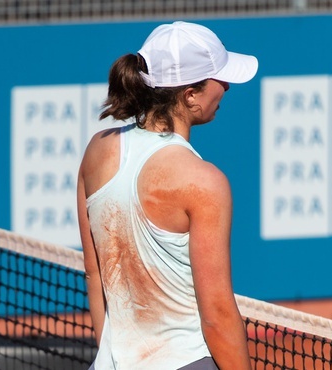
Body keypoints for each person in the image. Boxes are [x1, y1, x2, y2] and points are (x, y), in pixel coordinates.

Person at [76, 21, 258, 370]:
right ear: (190, 95)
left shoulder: (96, 151)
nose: (227, 87)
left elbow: (95, 272)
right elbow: (217, 314)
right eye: (220, 78)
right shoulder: (205, 182)